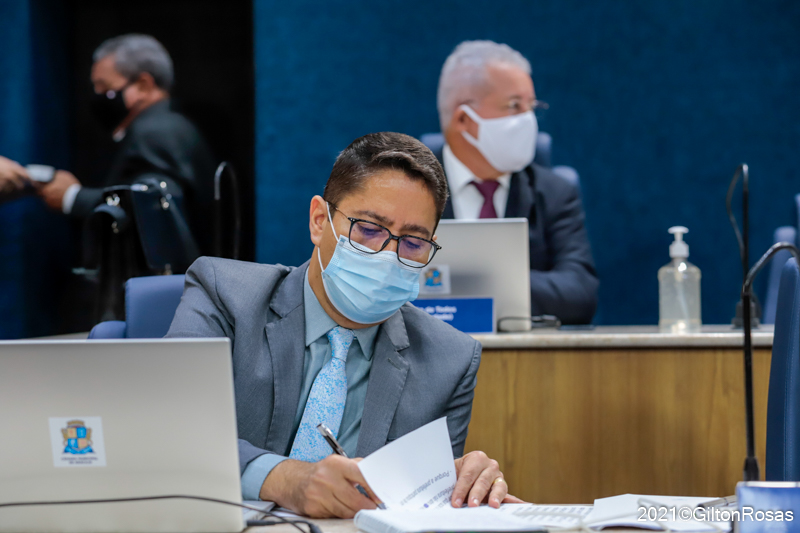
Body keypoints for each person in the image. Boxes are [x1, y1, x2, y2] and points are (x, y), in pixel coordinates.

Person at [166, 132, 521, 518]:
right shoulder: (224, 294)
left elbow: (419, 511)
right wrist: (286, 480)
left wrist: (457, 486)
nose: (388, 255)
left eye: (413, 242)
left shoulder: (450, 360)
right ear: (320, 221)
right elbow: (168, 428)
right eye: (368, 229)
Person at [435, 40, 598, 324]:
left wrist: (473, 286)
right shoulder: (409, 191)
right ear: (463, 120)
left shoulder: (556, 192)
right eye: (514, 106)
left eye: (531, 106)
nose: (529, 120)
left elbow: (580, 293)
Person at [35, 34, 216, 254]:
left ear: (143, 86)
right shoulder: (170, 124)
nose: (98, 96)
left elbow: (150, 207)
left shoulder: (155, 132)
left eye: (105, 87)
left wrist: (73, 197)